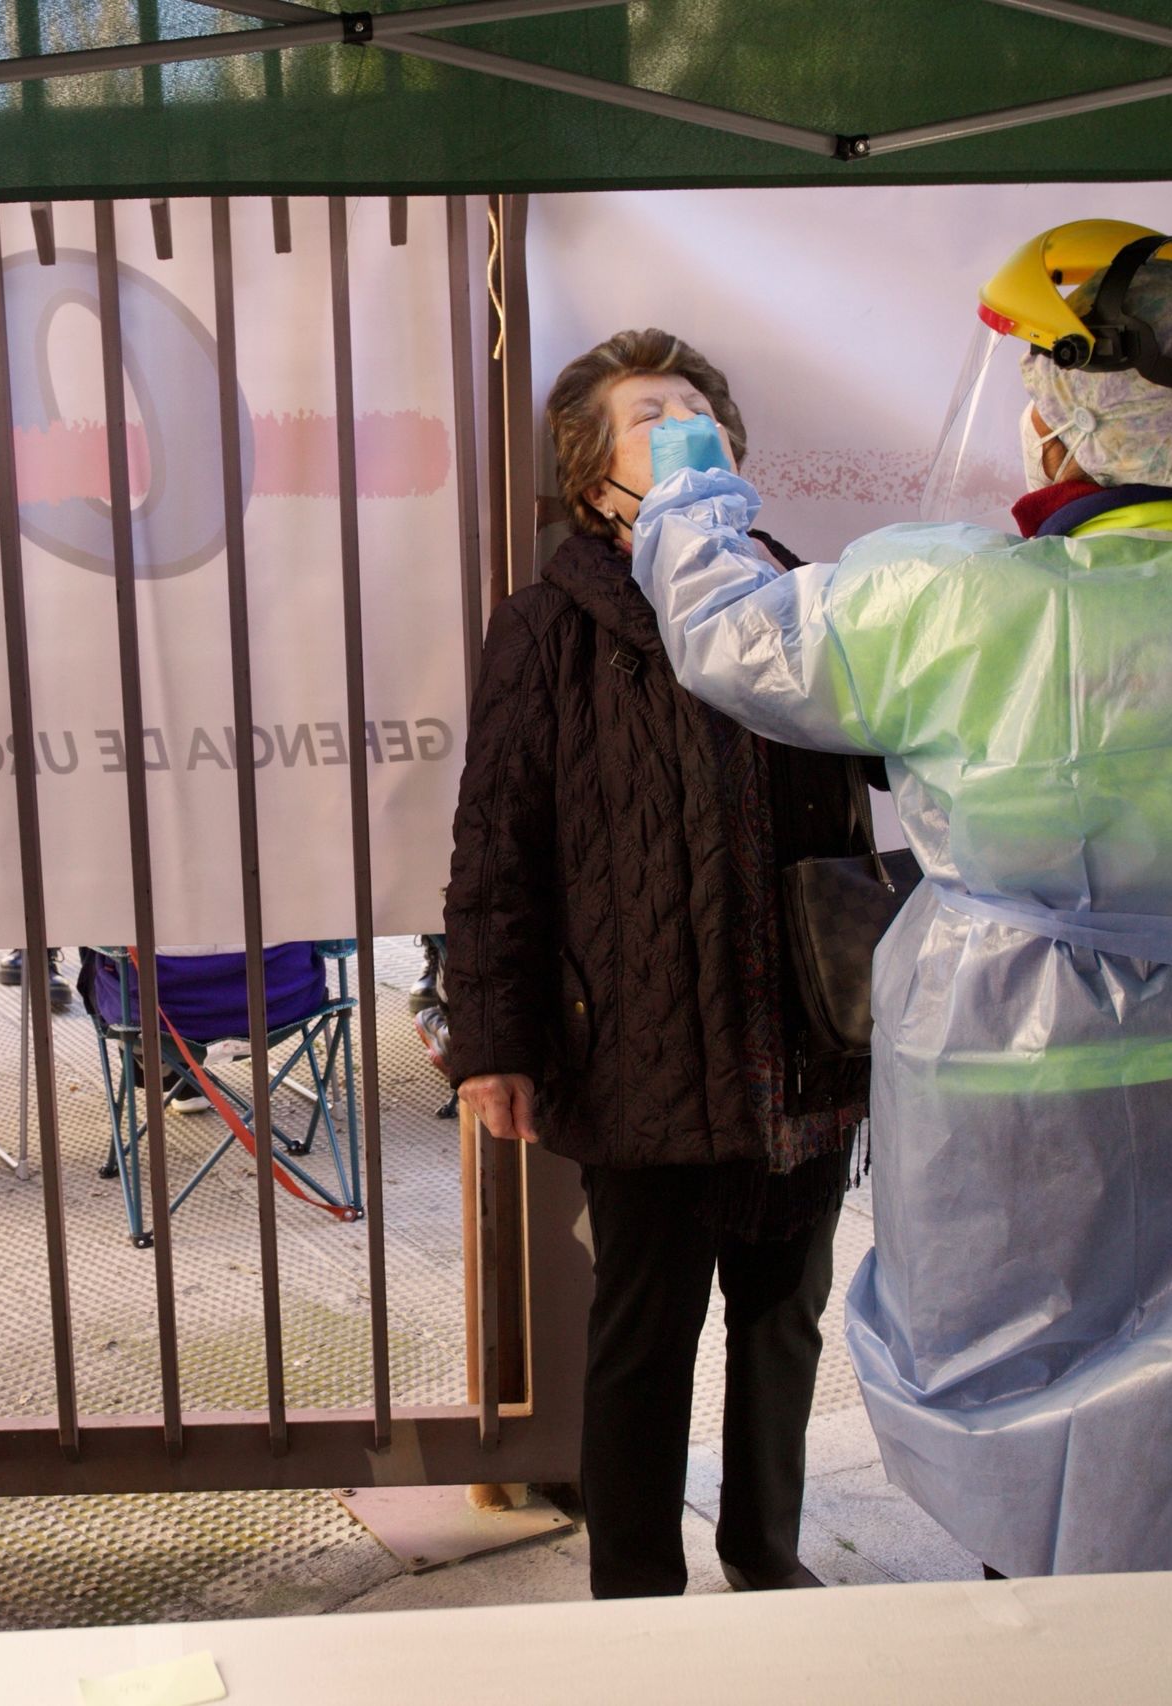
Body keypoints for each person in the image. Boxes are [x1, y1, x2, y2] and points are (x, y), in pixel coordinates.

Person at [627, 222, 1172, 1576]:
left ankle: (1084, 1654)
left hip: (1039, 1099)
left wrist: (689, 485)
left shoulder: (962, 599)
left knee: (1042, 1461)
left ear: (1060, 414)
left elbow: (736, 636)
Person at [445, 330, 868, 1599]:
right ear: (594, 480)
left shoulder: (798, 596)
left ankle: (764, 1550)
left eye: (699, 408)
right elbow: (496, 847)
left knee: (783, 1321)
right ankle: (635, 1588)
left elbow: (888, 752)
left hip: (800, 1045)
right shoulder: (548, 627)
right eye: (652, 413)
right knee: (643, 1333)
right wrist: (494, 1043)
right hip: (641, 1049)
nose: (686, 422)